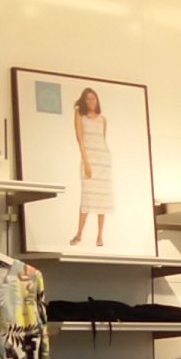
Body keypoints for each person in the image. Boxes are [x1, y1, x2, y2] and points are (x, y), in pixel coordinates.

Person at [69, 88, 111, 247]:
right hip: (88, 160)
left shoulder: (102, 120)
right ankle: (79, 234)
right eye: (88, 99)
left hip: (103, 162)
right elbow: (80, 139)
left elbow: (102, 140)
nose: (91, 102)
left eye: (93, 98)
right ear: (84, 101)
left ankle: (100, 236)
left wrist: (105, 158)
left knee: (102, 199)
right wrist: (86, 163)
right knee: (86, 198)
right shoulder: (79, 115)